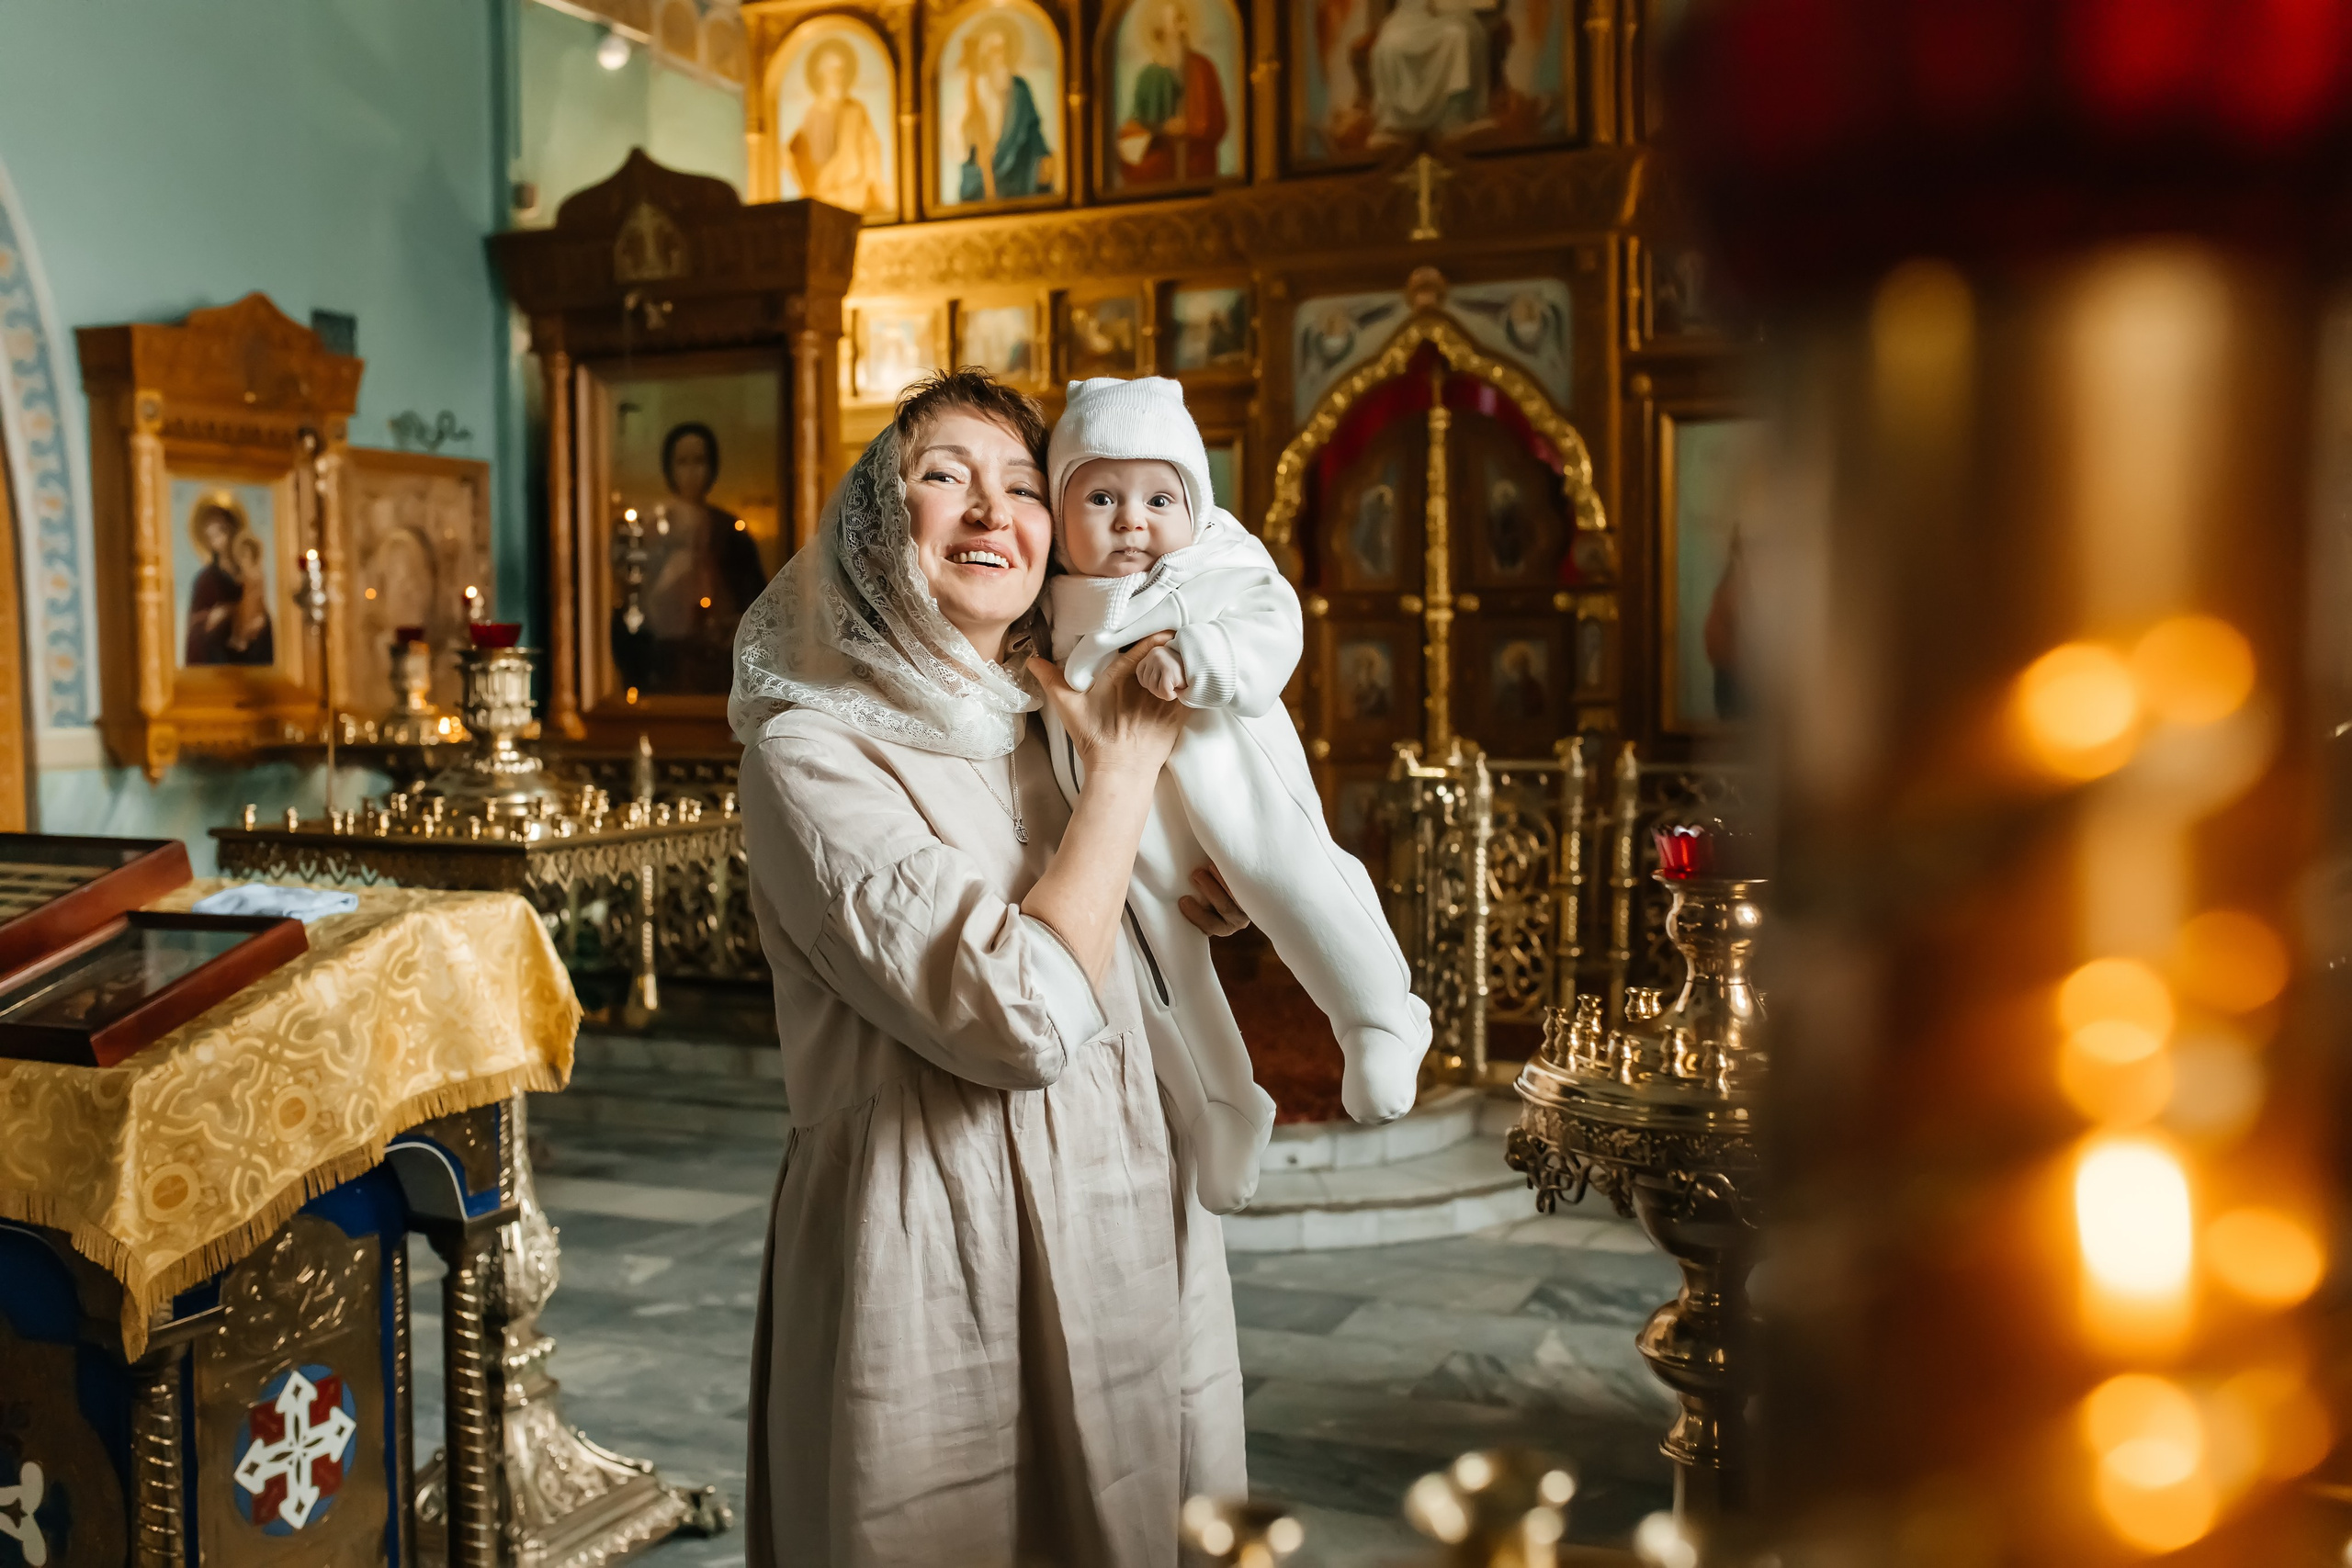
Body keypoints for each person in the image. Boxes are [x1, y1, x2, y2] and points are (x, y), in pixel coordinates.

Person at [730, 368, 1249, 1565]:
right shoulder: (812, 748)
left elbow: (1102, 909)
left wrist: (1196, 889)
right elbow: (1015, 1016)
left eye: (1022, 484)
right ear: (874, 520)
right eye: (942, 476)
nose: (989, 509)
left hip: (1125, 1194)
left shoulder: (1039, 709)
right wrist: (1124, 774)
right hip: (938, 1232)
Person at [1041, 376, 1431, 1213]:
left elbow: (1272, 623)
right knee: (1155, 959)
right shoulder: (1046, 600)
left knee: (1293, 878)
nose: (1131, 521)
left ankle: (1380, 1011)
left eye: (1157, 497)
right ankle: (1223, 1100)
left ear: (1196, 504)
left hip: (1231, 777)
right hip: (1123, 816)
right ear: (1057, 506)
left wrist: (1198, 658)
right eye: (1100, 496)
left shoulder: (1218, 561)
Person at [615, 422, 770, 694]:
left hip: (718, 666)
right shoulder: (650, 529)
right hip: (663, 663)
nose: (692, 472)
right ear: (669, 468)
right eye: (682, 462)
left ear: (712, 467)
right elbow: (634, 599)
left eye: (699, 461)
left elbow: (756, 602)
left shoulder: (730, 530)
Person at [1115, 0, 1228, 186]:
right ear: (1160, 31)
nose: (1182, 27)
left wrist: (1187, 126)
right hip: (1160, 149)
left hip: (1194, 157)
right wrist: (1152, 130)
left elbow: (1217, 122)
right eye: (1175, 22)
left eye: (1182, 20)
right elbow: (1138, 116)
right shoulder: (1148, 74)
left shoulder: (1202, 67)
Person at [1368, 0, 1498, 144]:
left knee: (1456, 36)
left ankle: (1454, 116)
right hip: (1408, 18)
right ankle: (1394, 121)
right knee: (1388, 46)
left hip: (1448, 17)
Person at [787, 38, 891, 217]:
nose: (838, 75)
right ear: (821, 74)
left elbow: (871, 148)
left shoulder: (855, 110)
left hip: (853, 192)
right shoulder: (811, 114)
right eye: (832, 70)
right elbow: (799, 154)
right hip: (822, 193)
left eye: (841, 70)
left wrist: (874, 185)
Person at [956, 19, 1054, 202]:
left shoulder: (1020, 88)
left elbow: (1033, 128)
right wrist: (971, 138)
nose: (1000, 55)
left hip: (1019, 172)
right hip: (983, 173)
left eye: (1003, 48)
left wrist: (1044, 156)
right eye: (994, 50)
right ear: (984, 55)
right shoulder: (973, 91)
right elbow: (958, 138)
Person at [184, 499, 270, 667]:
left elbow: (261, 613)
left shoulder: (248, 573)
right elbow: (195, 630)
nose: (218, 541)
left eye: (221, 532)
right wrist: (213, 617)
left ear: (233, 530)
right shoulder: (205, 580)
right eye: (211, 537)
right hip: (218, 658)